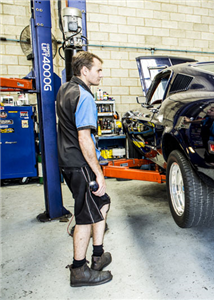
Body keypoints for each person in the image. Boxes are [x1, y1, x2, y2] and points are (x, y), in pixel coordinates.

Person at [56, 51, 112, 287]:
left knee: (103, 202)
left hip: (68, 161)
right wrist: (98, 172)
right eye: (97, 70)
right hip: (80, 164)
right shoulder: (84, 96)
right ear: (84, 71)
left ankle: (98, 254)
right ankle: (79, 270)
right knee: (84, 217)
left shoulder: (64, 89)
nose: (101, 74)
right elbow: (84, 138)